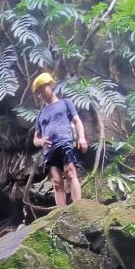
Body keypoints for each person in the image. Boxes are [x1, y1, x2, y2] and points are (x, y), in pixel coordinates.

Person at [31, 71, 88, 206]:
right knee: (56, 182)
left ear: (51, 85)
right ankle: (60, 215)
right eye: (38, 92)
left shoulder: (65, 103)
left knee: (70, 173)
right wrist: (41, 141)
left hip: (65, 142)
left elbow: (77, 121)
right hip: (49, 150)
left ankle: (78, 208)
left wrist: (82, 138)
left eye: (42, 89)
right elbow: (35, 139)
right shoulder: (40, 114)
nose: (41, 94)